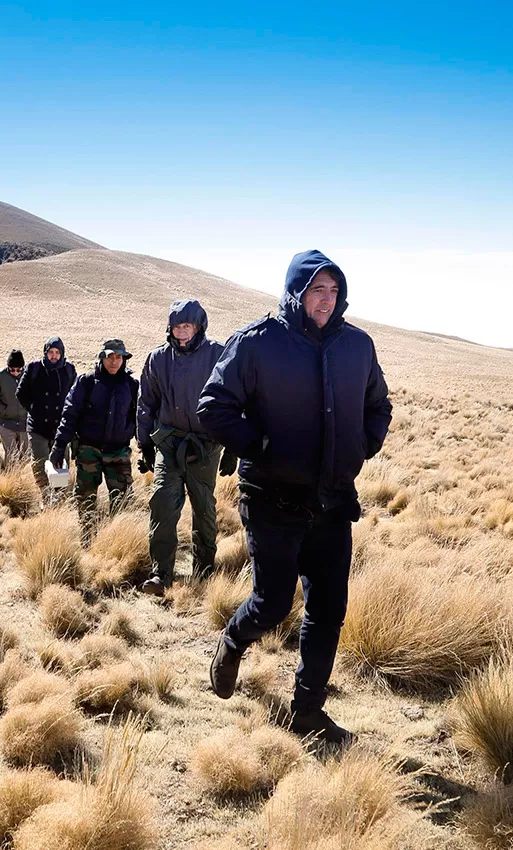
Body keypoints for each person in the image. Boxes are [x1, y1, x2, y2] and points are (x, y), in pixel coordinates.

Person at [198, 250, 392, 745]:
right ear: (295, 292)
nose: (325, 300)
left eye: (333, 290)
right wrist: (260, 445)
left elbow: (378, 404)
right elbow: (214, 407)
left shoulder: (357, 346)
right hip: (272, 499)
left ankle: (306, 711)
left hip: (331, 502)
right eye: (316, 290)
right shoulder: (259, 344)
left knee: (329, 608)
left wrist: (363, 445)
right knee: (273, 602)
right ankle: (234, 640)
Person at [136, 300, 234, 596]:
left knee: (204, 508)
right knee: (163, 502)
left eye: (187, 326)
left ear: (198, 326)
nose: (181, 332)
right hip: (169, 442)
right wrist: (144, 444)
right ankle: (160, 574)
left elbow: (237, 400)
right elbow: (146, 404)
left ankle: (204, 571)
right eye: (177, 327)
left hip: (205, 445)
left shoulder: (218, 354)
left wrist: (234, 448)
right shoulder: (158, 359)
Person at [52, 339, 139, 541]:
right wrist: (59, 445)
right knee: (85, 498)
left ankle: (117, 543)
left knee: (123, 500)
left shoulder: (131, 385)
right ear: (102, 357)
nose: (114, 362)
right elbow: (70, 414)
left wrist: (145, 446)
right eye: (110, 357)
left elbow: (140, 417)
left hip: (119, 452)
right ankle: (88, 540)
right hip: (89, 449)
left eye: (119, 357)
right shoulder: (87, 381)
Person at [16, 337, 76, 500]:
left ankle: (59, 497)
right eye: (51, 352)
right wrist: (34, 409)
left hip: (60, 427)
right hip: (38, 426)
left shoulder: (69, 370)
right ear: (45, 352)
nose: (54, 356)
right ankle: (45, 495)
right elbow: (20, 393)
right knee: (40, 463)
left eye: (57, 352)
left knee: (61, 465)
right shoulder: (34, 368)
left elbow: (75, 396)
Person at [0, 350, 29, 468]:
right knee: (12, 454)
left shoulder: (29, 376)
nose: (15, 372)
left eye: (19, 370)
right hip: (5, 422)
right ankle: (11, 481)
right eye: (12, 369)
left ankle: (24, 480)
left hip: (25, 422)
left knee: (26, 455)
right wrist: (2, 410)